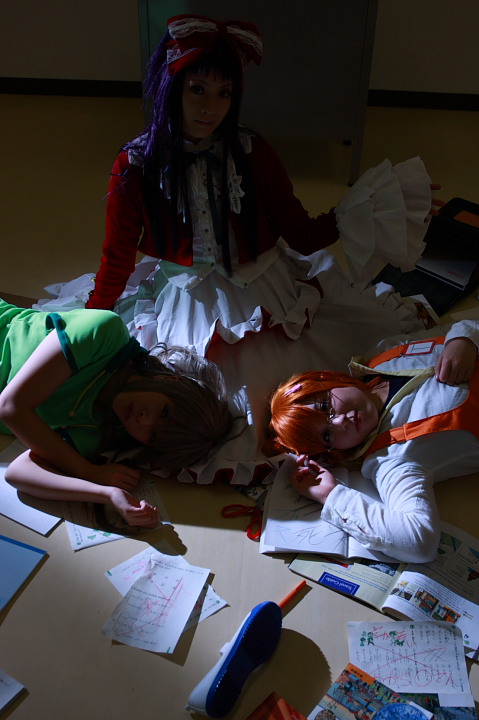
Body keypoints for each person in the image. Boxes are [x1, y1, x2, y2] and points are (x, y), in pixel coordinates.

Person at [79, 13, 438, 355]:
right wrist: (92, 318)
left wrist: (380, 205)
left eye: (224, 93)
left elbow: (303, 236)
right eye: (198, 89)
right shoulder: (137, 165)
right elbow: (118, 256)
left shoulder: (253, 153)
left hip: (267, 292)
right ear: (171, 87)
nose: (210, 108)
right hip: (187, 301)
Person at [0, 299, 234, 528]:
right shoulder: (104, 333)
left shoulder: (103, 428)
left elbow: (19, 473)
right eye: (164, 413)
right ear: (169, 380)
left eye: (153, 436)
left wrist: (106, 493)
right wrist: (86, 471)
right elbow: (10, 407)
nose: (143, 422)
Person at [268, 320, 479, 563]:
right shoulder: (393, 459)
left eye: (325, 406)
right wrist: (332, 495)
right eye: (327, 436)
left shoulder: (383, 355)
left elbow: (464, 323)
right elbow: (419, 542)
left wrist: (464, 337)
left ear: (327, 378)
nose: (340, 422)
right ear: (332, 453)